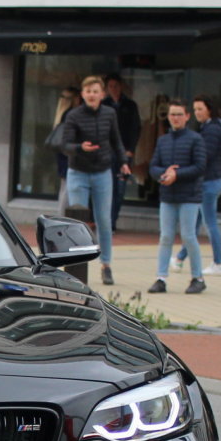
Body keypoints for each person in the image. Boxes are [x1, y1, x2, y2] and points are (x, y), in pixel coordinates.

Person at [61, 75, 129, 286]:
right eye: (88, 91)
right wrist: (81, 148)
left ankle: (106, 265)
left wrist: (124, 162)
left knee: (104, 220)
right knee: (78, 221)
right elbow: (65, 145)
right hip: (78, 171)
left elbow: (117, 141)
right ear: (83, 94)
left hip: (102, 171)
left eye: (95, 91)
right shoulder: (73, 115)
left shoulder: (110, 114)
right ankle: (77, 266)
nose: (92, 95)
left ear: (102, 94)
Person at [147, 99, 208, 295]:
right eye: (172, 114)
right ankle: (161, 277)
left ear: (187, 116)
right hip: (167, 196)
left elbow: (200, 167)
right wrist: (162, 174)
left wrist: (177, 174)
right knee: (165, 236)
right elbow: (153, 166)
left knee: (189, 237)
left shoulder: (195, 139)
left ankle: (197, 277)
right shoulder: (163, 140)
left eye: (179, 114)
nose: (175, 118)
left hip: (189, 196)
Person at [175, 95, 221, 275]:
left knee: (209, 222)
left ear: (209, 109)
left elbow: (206, 155)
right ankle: (181, 257)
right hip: (210, 180)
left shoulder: (212, 130)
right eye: (195, 109)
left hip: (209, 182)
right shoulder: (208, 127)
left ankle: (218, 263)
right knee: (196, 222)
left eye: (200, 109)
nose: (197, 113)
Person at [102, 74, 140, 229]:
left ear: (121, 86)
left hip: (124, 152)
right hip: (107, 153)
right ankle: (108, 223)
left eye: (116, 86)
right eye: (110, 86)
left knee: (120, 189)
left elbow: (135, 128)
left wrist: (131, 149)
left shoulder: (130, 105)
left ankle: (113, 219)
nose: (113, 89)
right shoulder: (104, 105)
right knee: (108, 189)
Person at [52, 86, 80, 207]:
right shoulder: (70, 115)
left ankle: (62, 214)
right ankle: (63, 216)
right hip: (69, 154)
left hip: (63, 154)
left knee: (64, 187)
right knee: (68, 189)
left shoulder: (61, 114)